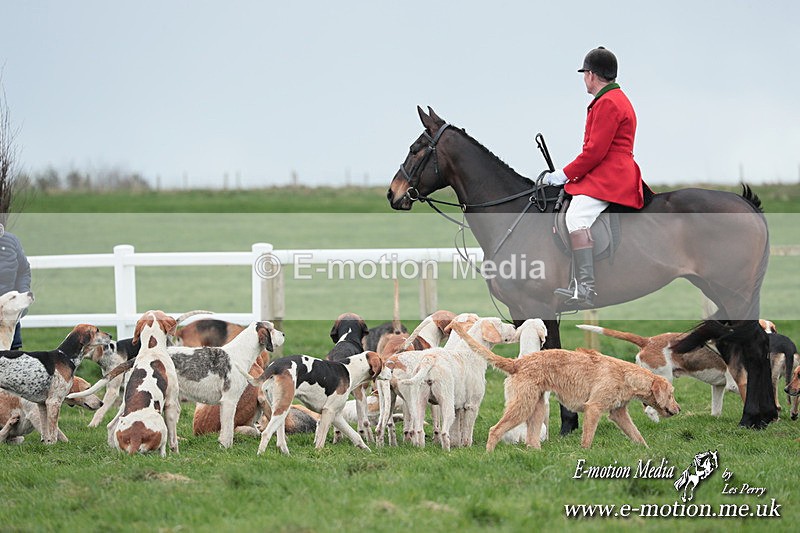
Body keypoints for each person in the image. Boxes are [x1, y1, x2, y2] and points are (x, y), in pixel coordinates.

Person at [546, 46, 644, 309]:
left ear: (590, 74)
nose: (584, 80)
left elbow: (594, 152)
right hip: (609, 170)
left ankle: (586, 289)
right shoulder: (615, 98)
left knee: (575, 217)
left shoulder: (608, 103)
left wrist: (563, 175)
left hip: (611, 175)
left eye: (584, 74)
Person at [0, 223, 32, 349]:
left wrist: (22, 298)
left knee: (11, 362)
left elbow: (23, 271)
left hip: (10, 321)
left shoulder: (11, 241)